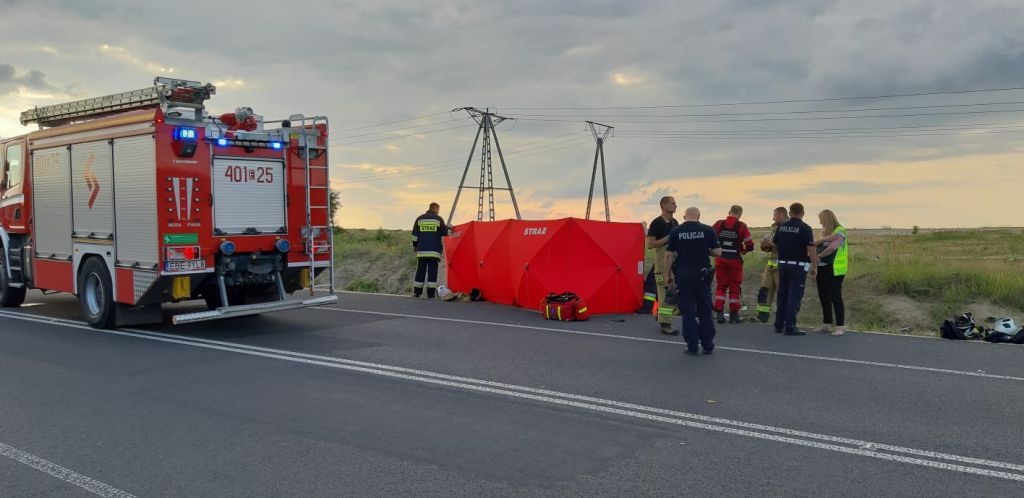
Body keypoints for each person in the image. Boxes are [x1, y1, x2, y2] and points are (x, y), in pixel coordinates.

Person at [665, 207, 722, 355]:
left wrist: (667, 276)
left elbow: (669, 255)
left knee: (687, 310)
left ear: (684, 217)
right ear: (699, 216)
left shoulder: (676, 231)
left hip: (683, 274)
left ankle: (692, 345)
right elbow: (717, 252)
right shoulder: (707, 230)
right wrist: (705, 250)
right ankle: (708, 344)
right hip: (702, 275)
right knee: (705, 309)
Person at [772, 202, 818, 335]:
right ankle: (790, 325)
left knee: (782, 294)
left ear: (790, 213)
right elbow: (811, 248)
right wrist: (814, 266)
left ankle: (778, 324)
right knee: (794, 296)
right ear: (803, 213)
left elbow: (775, 245)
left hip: (783, 264)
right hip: (798, 266)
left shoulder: (781, 227)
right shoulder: (805, 228)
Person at [711, 205, 754, 323]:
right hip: (735, 259)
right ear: (740, 214)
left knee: (721, 286)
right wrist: (744, 250)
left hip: (720, 258)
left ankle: (719, 312)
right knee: (734, 287)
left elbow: (710, 237)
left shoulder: (719, 224)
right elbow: (750, 244)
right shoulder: (742, 226)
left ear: (729, 212)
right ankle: (734, 315)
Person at [646, 196, 680, 334]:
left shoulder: (674, 222)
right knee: (666, 292)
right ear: (664, 205)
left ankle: (662, 315)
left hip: (674, 261)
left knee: (675, 291)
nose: (675, 206)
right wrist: (668, 237)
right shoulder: (656, 223)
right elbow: (650, 244)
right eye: (673, 204)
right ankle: (666, 325)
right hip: (661, 264)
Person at [814, 209, 848, 336]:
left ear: (827, 219)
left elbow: (833, 247)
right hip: (822, 267)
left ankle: (840, 326)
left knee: (835, 296)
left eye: (821, 219)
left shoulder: (840, 231)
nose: (820, 222)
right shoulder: (825, 233)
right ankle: (827, 324)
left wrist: (820, 256)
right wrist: (825, 238)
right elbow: (813, 243)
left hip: (834, 269)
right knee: (823, 296)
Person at [755, 207, 789, 323]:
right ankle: (762, 315)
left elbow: (785, 247)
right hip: (770, 264)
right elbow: (767, 248)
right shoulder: (774, 228)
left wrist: (772, 244)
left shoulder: (788, 228)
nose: (773, 218)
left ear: (781, 215)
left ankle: (783, 318)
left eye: (774, 215)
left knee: (782, 292)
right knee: (765, 291)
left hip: (781, 266)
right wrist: (765, 244)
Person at [411, 202, 450, 298]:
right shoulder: (438, 219)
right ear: (436, 209)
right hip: (434, 252)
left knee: (420, 271)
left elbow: (414, 236)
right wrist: (450, 228)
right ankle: (430, 294)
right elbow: (446, 233)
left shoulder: (419, 219)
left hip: (421, 251)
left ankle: (417, 292)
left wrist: (415, 246)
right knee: (432, 273)